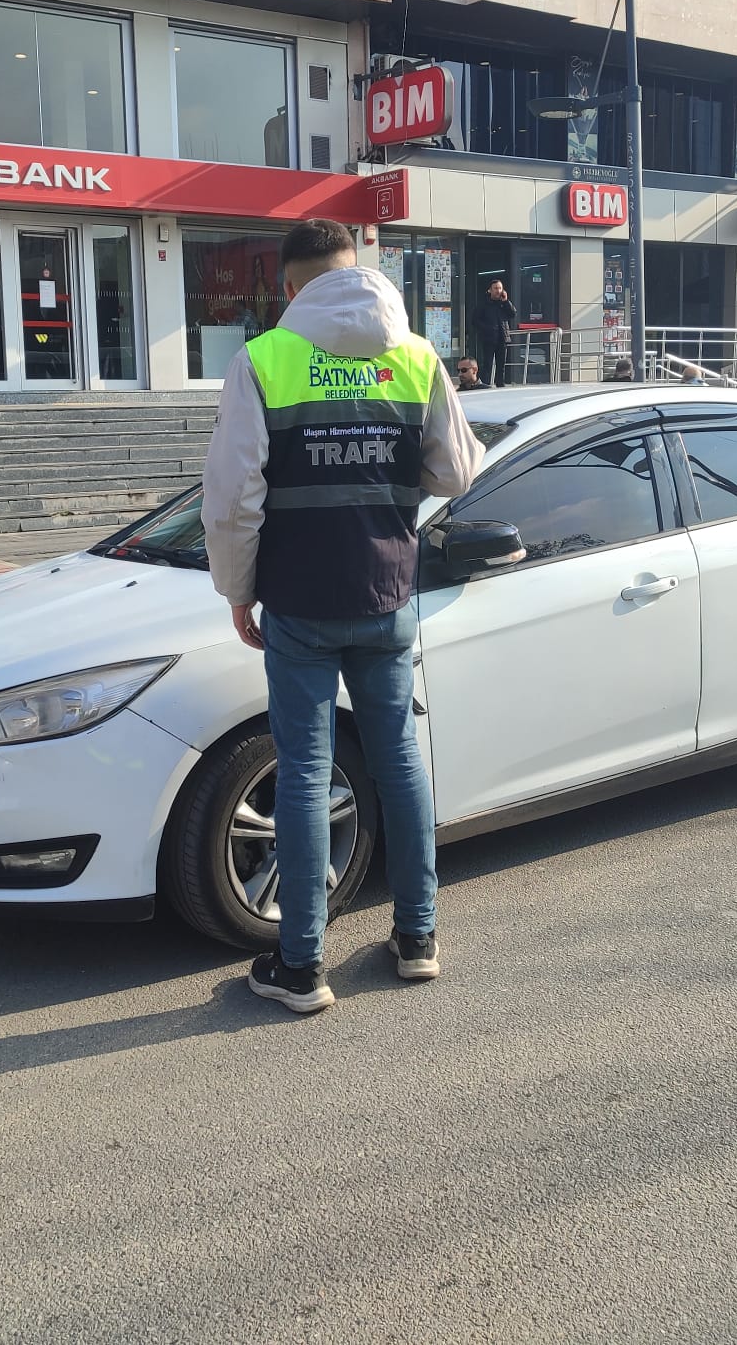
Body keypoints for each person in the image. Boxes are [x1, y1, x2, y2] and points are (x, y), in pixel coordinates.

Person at [201, 218, 481, 1014]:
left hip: (300, 599)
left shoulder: (263, 360)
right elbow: (458, 472)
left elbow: (233, 497)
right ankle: (418, 938)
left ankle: (302, 966)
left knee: (303, 771)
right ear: (357, 270)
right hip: (387, 593)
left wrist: (237, 589)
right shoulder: (416, 357)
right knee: (399, 760)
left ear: (290, 286)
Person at [472, 278, 516, 387]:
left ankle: (500, 383)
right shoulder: (484, 304)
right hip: (489, 338)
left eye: (500, 288)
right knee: (487, 364)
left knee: (501, 364)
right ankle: (485, 384)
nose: (498, 291)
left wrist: (506, 301)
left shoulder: (504, 303)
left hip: (502, 337)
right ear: (490, 290)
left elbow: (513, 314)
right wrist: (486, 328)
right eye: (495, 288)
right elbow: (475, 320)